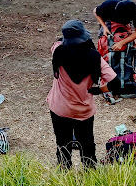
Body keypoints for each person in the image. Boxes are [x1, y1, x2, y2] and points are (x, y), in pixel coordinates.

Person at [46, 20, 120, 169]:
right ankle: (90, 176)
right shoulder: (95, 58)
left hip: (59, 109)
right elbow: (116, 84)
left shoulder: (57, 51)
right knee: (87, 146)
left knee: (62, 144)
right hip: (83, 111)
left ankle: (64, 174)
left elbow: (59, 41)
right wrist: (98, 90)